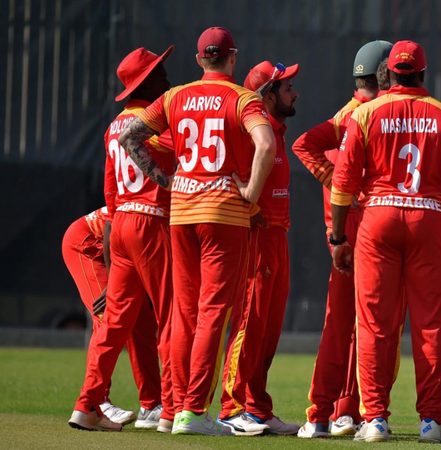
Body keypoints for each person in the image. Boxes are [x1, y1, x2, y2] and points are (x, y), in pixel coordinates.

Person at [120, 26, 276, 436]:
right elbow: (265, 144)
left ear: (198, 60)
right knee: (212, 313)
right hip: (224, 213)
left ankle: (172, 409)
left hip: (182, 212)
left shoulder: (175, 96)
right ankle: (193, 412)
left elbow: (130, 137)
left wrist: (166, 180)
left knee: (183, 313)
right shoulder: (242, 98)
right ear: (232, 57)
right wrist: (250, 193)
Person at [330, 40, 441, 443]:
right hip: (428, 220)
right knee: (431, 326)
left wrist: (338, 236)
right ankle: (431, 421)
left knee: (374, 324)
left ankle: (375, 419)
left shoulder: (365, 113)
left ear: (389, 73)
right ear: (423, 73)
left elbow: (343, 184)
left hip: (378, 219)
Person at [69, 45, 177, 433]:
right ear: (145, 83)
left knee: (115, 324)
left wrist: (115, 246)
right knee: (171, 315)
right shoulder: (155, 123)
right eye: (159, 72)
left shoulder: (113, 126)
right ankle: (171, 409)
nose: (166, 76)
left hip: (122, 224)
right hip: (151, 222)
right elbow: (185, 155)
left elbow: (110, 190)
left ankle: (87, 405)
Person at [292, 40, 393, 439]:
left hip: (344, 232)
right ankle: (343, 410)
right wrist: (345, 188)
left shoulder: (347, 114)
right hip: (363, 231)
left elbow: (304, 145)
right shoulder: (369, 114)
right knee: (365, 326)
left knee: (343, 326)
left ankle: (330, 412)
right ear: (385, 73)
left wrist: (338, 186)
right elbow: (304, 146)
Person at [218, 59, 301, 436]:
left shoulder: (276, 131)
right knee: (249, 322)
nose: (294, 93)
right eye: (287, 88)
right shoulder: (254, 131)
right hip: (256, 237)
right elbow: (230, 173)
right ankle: (231, 407)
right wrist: (248, 208)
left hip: (277, 237)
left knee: (268, 329)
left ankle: (256, 407)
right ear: (267, 95)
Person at [62, 207, 160, 428]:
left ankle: (152, 405)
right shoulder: (165, 199)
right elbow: (110, 228)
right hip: (86, 243)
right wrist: (114, 279)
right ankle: (98, 403)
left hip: (124, 251)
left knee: (142, 322)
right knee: (107, 318)